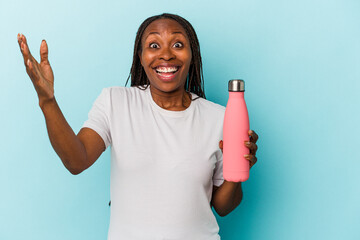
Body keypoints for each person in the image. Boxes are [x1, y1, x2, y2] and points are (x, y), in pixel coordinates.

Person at [17, 13, 258, 240]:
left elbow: (224, 207)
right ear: (140, 57)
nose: (166, 55)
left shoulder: (219, 117)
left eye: (177, 45)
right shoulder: (115, 102)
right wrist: (47, 101)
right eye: (154, 45)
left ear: (192, 55)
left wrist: (237, 171)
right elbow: (76, 161)